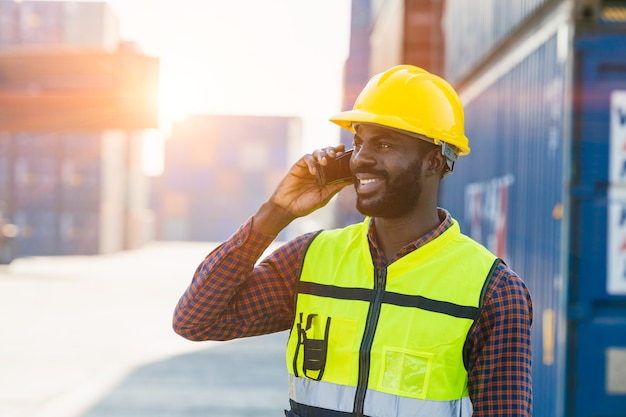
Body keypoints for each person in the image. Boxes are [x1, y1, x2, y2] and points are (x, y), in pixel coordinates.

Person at [172, 65, 533, 417]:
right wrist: (276, 213)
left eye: (384, 144)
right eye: (358, 142)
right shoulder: (312, 258)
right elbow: (196, 319)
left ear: (434, 161)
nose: (361, 159)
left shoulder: (492, 290)